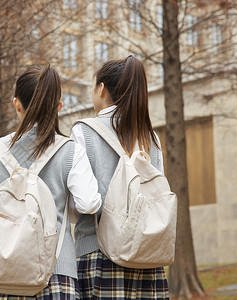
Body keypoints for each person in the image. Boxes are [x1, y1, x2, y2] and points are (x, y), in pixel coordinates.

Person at [0, 66, 102, 299]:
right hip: (57, 275)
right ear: (59, 108)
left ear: (17, 104)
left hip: (4, 278)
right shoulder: (71, 151)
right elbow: (89, 204)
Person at [71, 56, 170, 299]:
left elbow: (78, 206)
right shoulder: (152, 139)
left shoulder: (83, 131)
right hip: (146, 258)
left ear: (101, 89)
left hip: (98, 254)